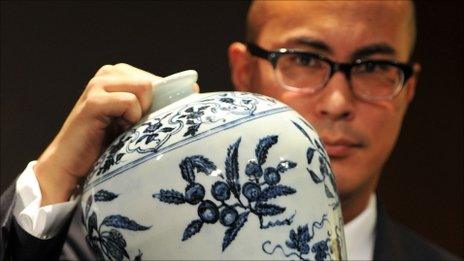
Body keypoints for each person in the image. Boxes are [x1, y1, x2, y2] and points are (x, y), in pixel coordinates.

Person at [0, 1, 459, 260]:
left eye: (375, 67)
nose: (338, 102)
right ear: (243, 71)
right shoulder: (105, 249)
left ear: (408, 88)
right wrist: (54, 175)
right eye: (302, 59)